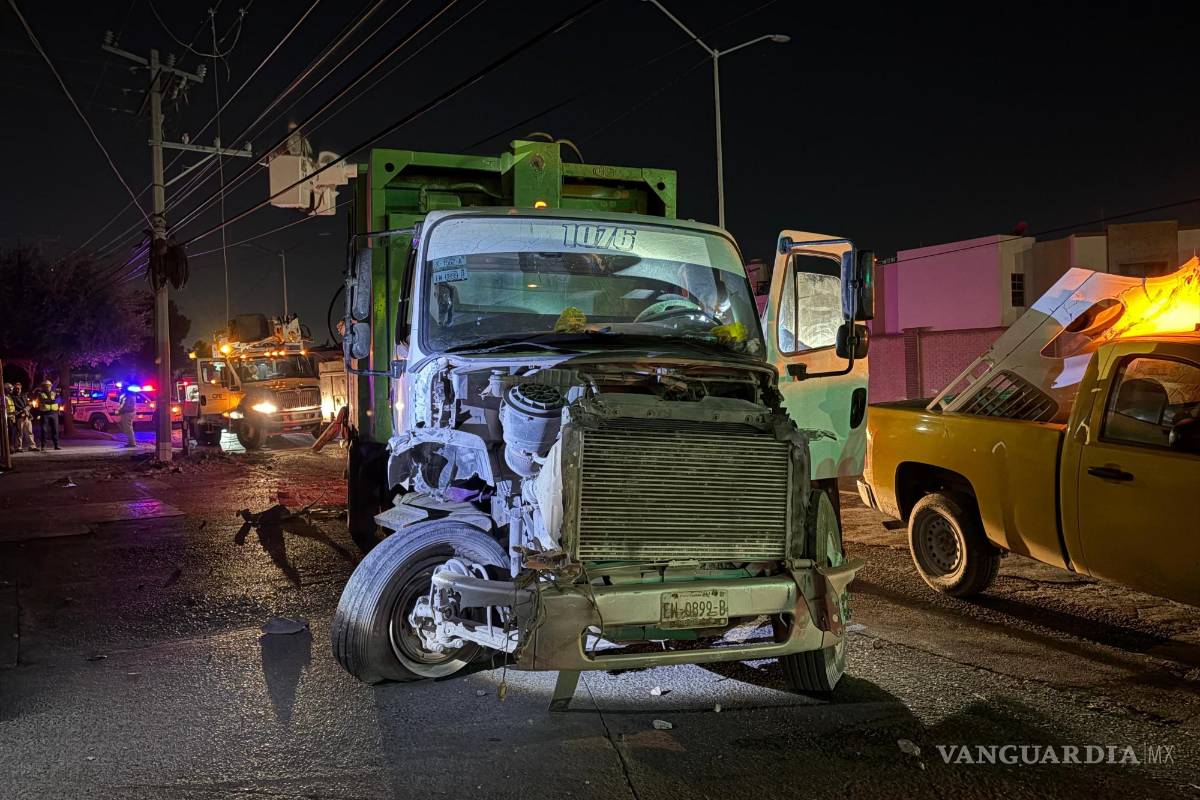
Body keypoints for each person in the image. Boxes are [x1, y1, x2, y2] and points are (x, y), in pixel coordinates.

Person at [32, 379, 61, 451]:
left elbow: (59, 400)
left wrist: (54, 402)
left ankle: (56, 445)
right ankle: (43, 446)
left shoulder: (54, 393)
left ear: (51, 386)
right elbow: (45, 401)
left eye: (49, 386)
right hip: (44, 414)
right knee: (44, 431)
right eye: (46, 386)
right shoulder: (40, 394)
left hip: (54, 413)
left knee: (55, 430)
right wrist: (53, 401)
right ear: (43, 387)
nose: (47, 387)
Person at [12, 382, 36, 452]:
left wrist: (27, 408)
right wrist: (22, 410)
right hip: (19, 417)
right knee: (19, 432)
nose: (17, 390)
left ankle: (32, 446)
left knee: (30, 432)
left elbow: (30, 404)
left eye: (18, 388)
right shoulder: (13, 397)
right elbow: (14, 407)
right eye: (16, 388)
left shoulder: (24, 396)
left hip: (27, 416)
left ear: (21, 388)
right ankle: (19, 447)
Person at [3, 383, 14, 453]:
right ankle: (7, 448)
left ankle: (10, 447)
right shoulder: (3, 397)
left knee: (11, 433)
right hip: (6, 418)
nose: (11, 390)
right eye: (10, 388)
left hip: (11, 417)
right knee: (7, 434)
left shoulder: (9, 396)